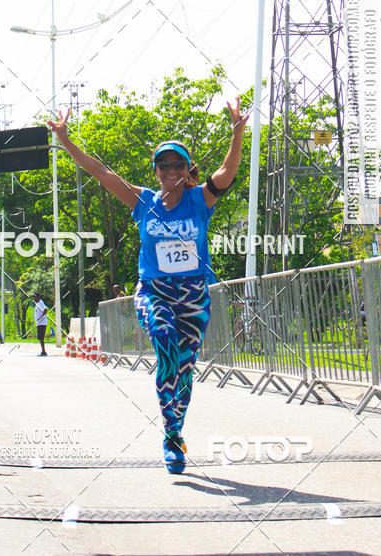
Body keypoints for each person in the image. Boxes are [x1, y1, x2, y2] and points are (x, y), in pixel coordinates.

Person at [49, 97, 248, 473]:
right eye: (163, 165)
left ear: (187, 169)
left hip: (193, 297)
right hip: (153, 292)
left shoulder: (199, 199)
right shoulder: (143, 200)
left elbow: (227, 170)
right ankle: (170, 432)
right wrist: (65, 140)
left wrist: (237, 132)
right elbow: (100, 173)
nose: (170, 170)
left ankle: (173, 434)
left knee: (184, 371)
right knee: (166, 345)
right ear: (155, 171)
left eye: (177, 164)